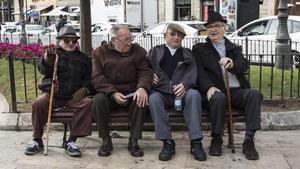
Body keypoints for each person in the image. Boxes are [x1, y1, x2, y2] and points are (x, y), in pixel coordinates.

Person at [192, 11, 262, 160]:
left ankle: (248, 141)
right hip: (215, 91)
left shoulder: (234, 48)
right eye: (210, 27)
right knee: (219, 98)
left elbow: (244, 65)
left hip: (236, 91)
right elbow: (199, 72)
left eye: (217, 26)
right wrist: (209, 87)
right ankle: (216, 138)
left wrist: (232, 64)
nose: (213, 29)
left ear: (224, 28)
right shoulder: (200, 49)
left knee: (254, 94)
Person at [25, 26, 93, 157]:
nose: (71, 43)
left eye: (74, 41)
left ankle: (71, 141)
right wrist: (47, 60)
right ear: (60, 41)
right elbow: (42, 69)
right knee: (38, 103)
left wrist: (85, 89)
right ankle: (37, 139)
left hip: (73, 96)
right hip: (53, 94)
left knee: (87, 103)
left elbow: (89, 80)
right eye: (67, 40)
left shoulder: (84, 58)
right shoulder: (53, 54)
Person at [147, 23, 206, 161]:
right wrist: (149, 75)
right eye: (172, 34)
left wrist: (185, 84)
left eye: (179, 35)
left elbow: (193, 72)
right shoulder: (154, 51)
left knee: (194, 95)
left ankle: (196, 142)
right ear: (164, 36)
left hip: (182, 94)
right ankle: (167, 142)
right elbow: (144, 68)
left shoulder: (188, 54)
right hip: (161, 93)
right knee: (153, 99)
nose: (176, 37)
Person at [91, 25, 153, 157]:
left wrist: (142, 87)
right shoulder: (99, 52)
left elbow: (145, 71)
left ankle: (134, 140)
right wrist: (113, 93)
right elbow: (97, 77)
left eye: (131, 38)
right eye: (126, 39)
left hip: (132, 91)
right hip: (109, 92)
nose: (130, 42)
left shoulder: (138, 51)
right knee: (97, 101)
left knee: (141, 100)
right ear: (114, 40)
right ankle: (106, 140)